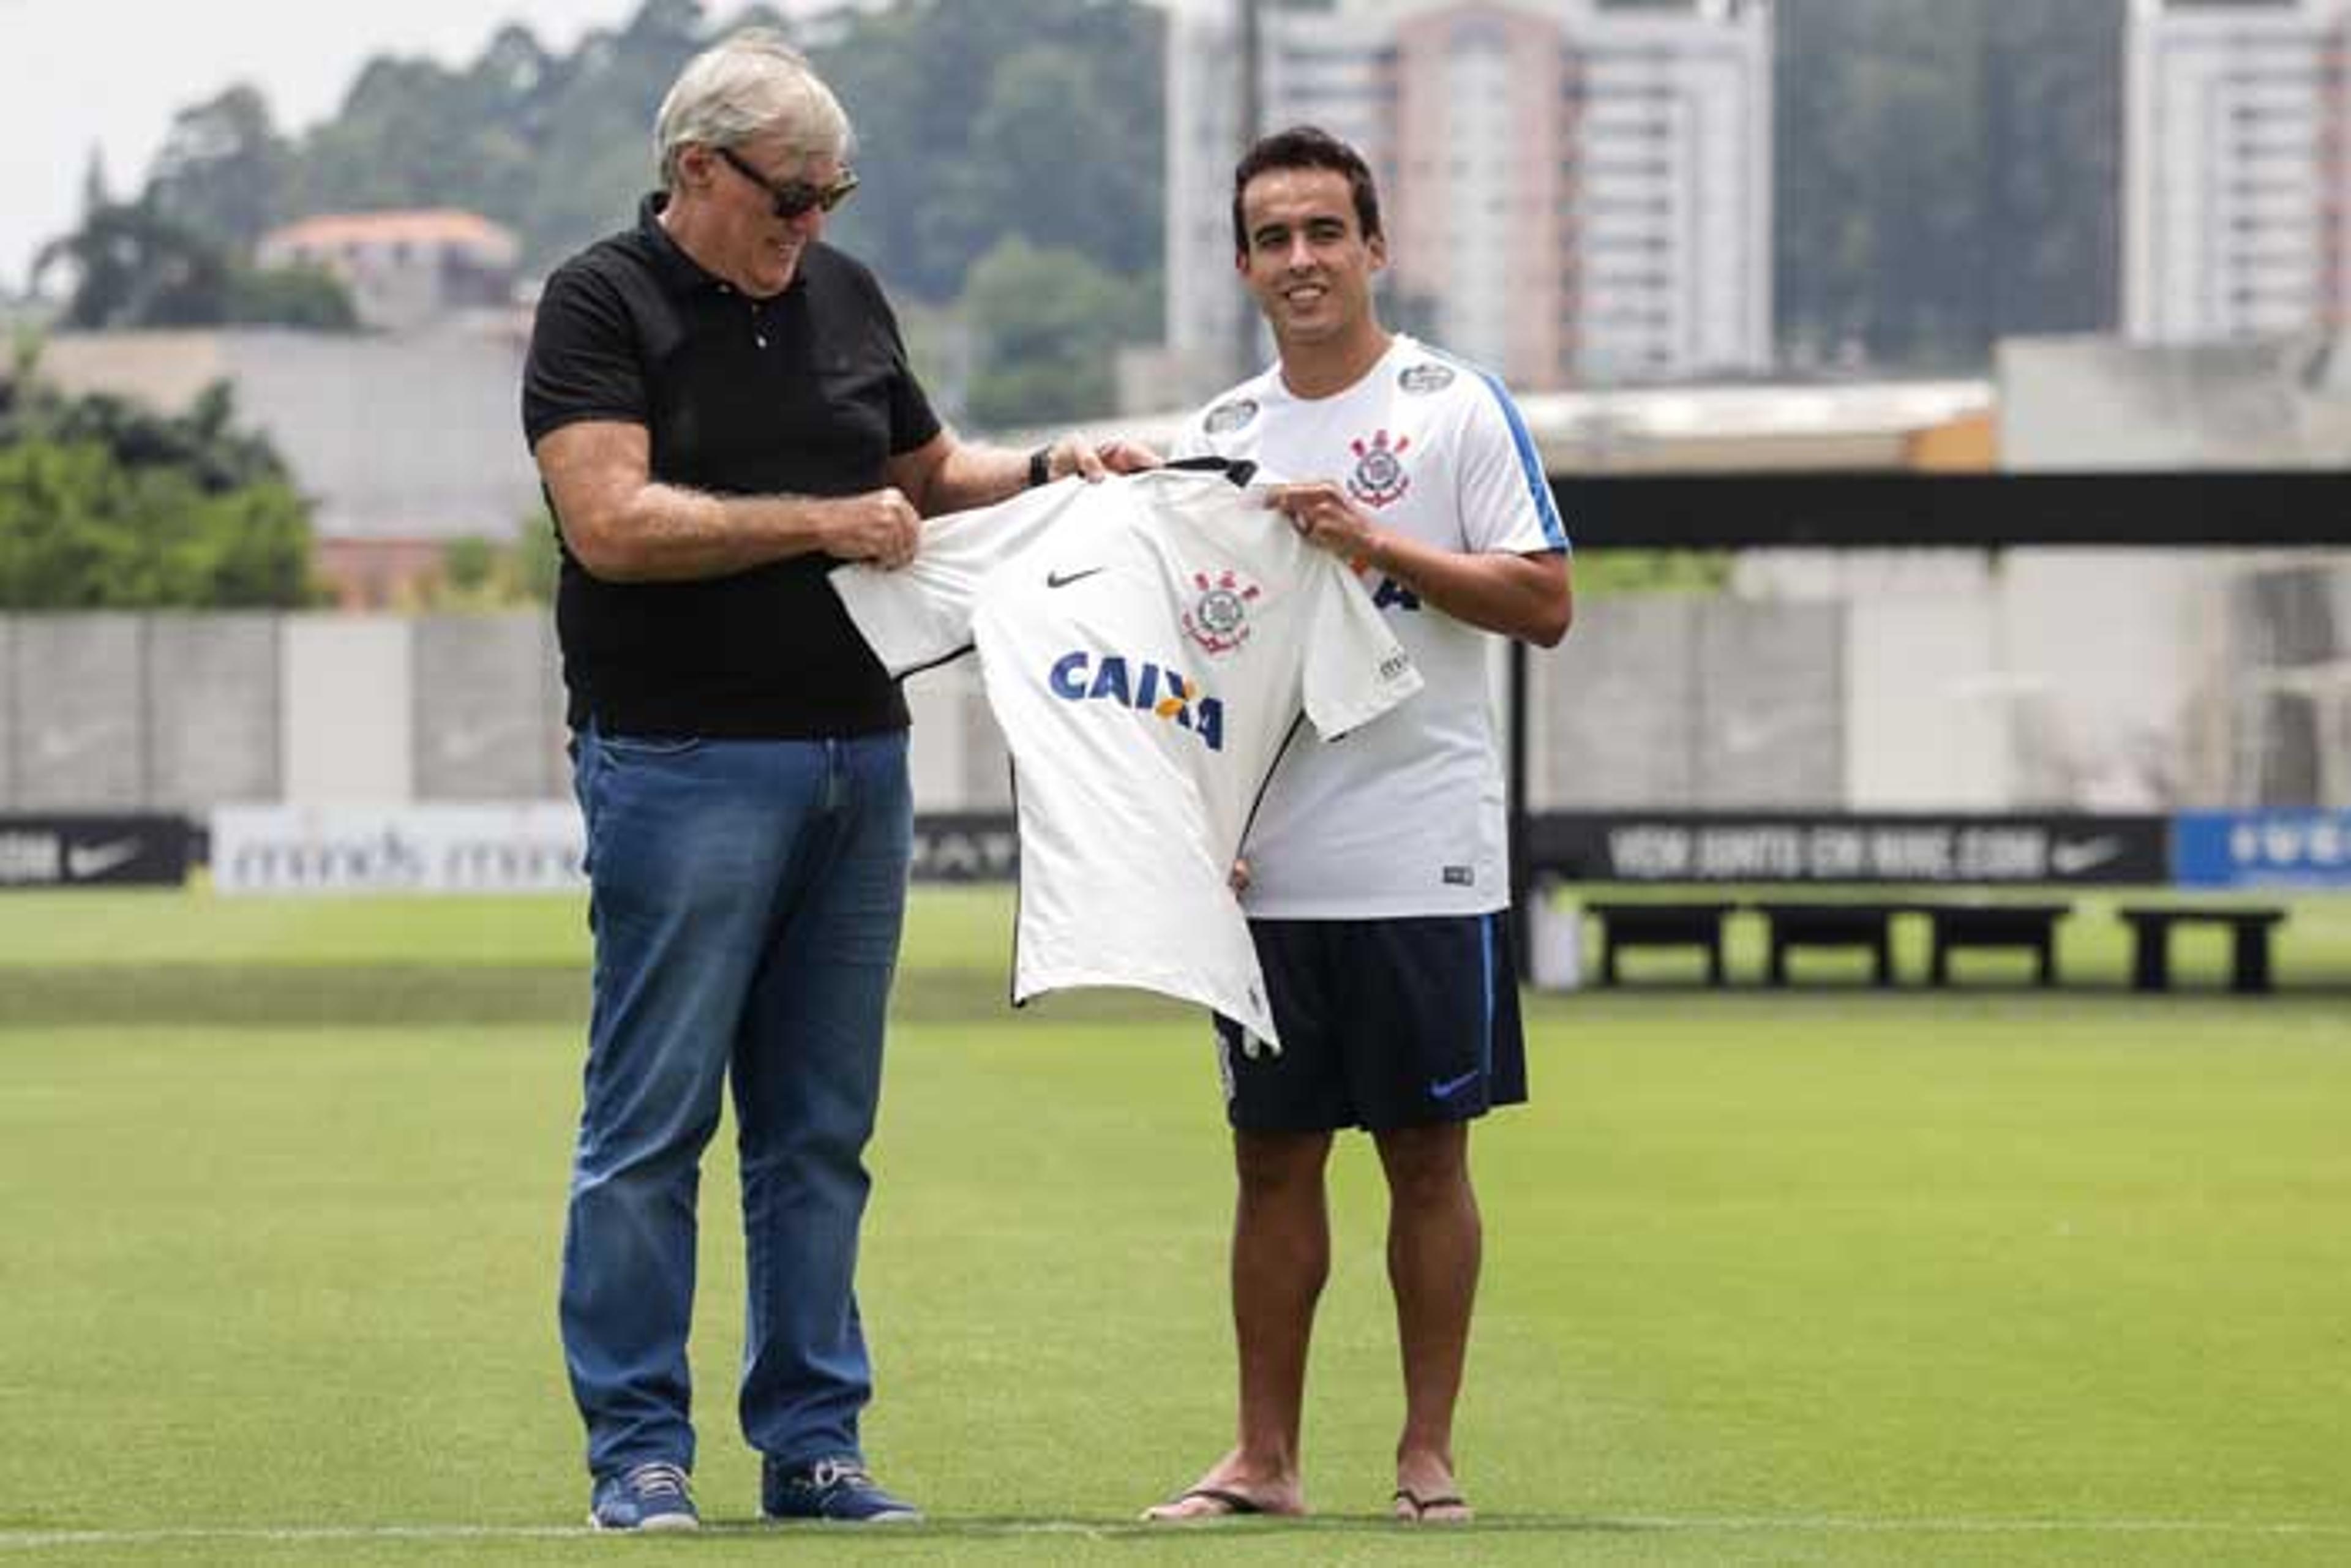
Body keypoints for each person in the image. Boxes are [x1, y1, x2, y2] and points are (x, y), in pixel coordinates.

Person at [520, 30, 1153, 1532]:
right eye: (791, 196)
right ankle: (638, 1452)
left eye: (833, 196)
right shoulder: (599, 301)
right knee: (653, 1121)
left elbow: (926, 478)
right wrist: (820, 520)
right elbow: (608, 520)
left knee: (818, 1131)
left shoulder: (847, 295)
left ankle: (814, 1442)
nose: (813, 226)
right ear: (697, 171)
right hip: (680, 756)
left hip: (858, 757)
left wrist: (1060, 465)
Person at [1144, 125, 1572, 1526]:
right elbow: (1183, 665)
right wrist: (1200, 819)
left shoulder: (1453, 409)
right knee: (1269, 1157)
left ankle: (1425, 1456)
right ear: (1243, 265)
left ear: (1376, 247)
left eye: (1326, 231)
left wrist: (1375, 544)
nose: (1302, 260)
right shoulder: (1216, 441)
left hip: (1421, 846)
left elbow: (1543, 602)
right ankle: (1263, 1462)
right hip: (1266, 869)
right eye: (1273, 238)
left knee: (1425, 1151)